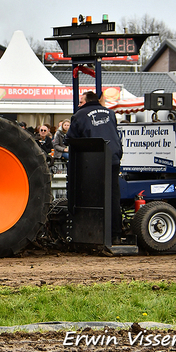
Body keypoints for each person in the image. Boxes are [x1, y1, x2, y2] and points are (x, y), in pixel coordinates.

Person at [66, 90, 123, 244]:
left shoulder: (79, 115)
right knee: (112, 197)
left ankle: (93, 235)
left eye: (80, 102)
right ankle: (115, 235)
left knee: (91, 198)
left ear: (86, 102)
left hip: (92, 162)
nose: (78, 104)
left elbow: (70, 138)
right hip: (112, 158)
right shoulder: (111, 114)